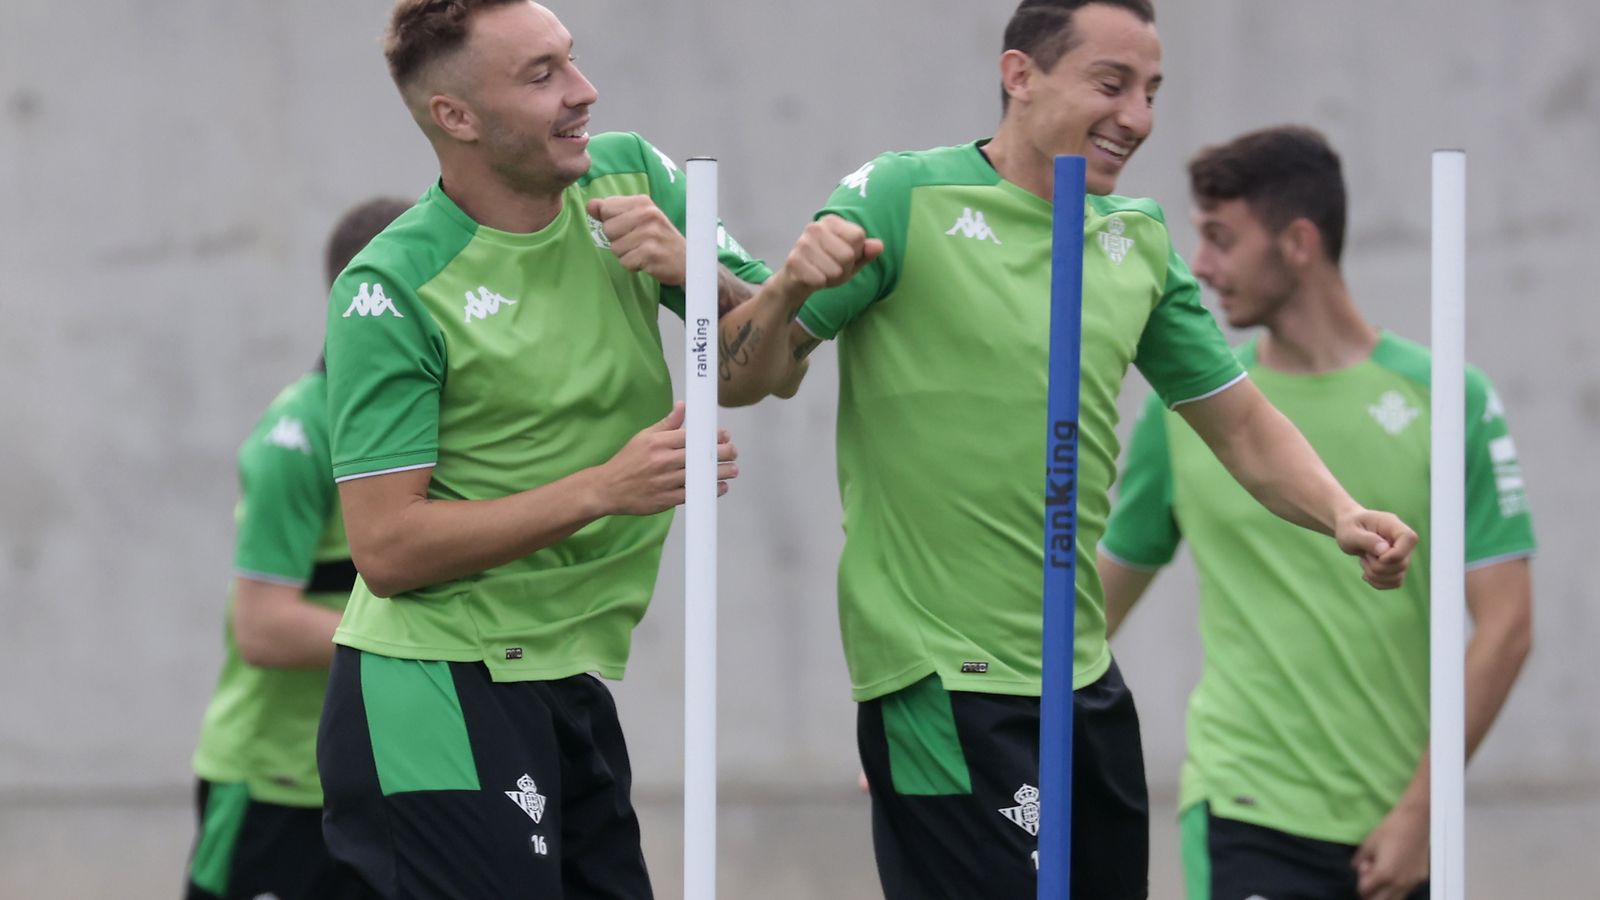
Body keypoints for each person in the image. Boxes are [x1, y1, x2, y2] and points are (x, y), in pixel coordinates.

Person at [714, 2, 1419, 897]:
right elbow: (741, 379)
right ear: (1020, 76)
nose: (1139, 117)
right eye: (1112, 84)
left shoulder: (1138, 239)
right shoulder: (902, 197)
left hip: (1080, 673)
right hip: (940, 673)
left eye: (1153, 91)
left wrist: (1341, 512)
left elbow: (1239, 423)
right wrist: (784, 291)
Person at [310, 1, 854, 895]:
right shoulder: (390, 287)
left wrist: (705, 275)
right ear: (457, 118)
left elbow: (763, 373)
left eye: (571, 59)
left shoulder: (631, 177)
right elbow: (389, 548)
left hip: (568, 669)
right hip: (436, 682)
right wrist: (602, 488)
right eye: (541, 75)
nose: (583, 91)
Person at [1098, 125, 1535, 900]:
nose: (1199, 267)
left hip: (1399, 827)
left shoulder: (1447, 399)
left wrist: (1422, 811)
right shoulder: (1189, 410)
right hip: (1244, 807)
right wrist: (965, 717)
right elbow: (1094, 604)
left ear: (1298, 242)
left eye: (1221, 240)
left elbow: (1506, 624)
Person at [185, 196, 411, 900]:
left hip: (387, 780)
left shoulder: (430, 431)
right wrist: (424, 642)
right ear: (365, 299)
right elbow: (264, 627)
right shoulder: (298, 436)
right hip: (275, 785)